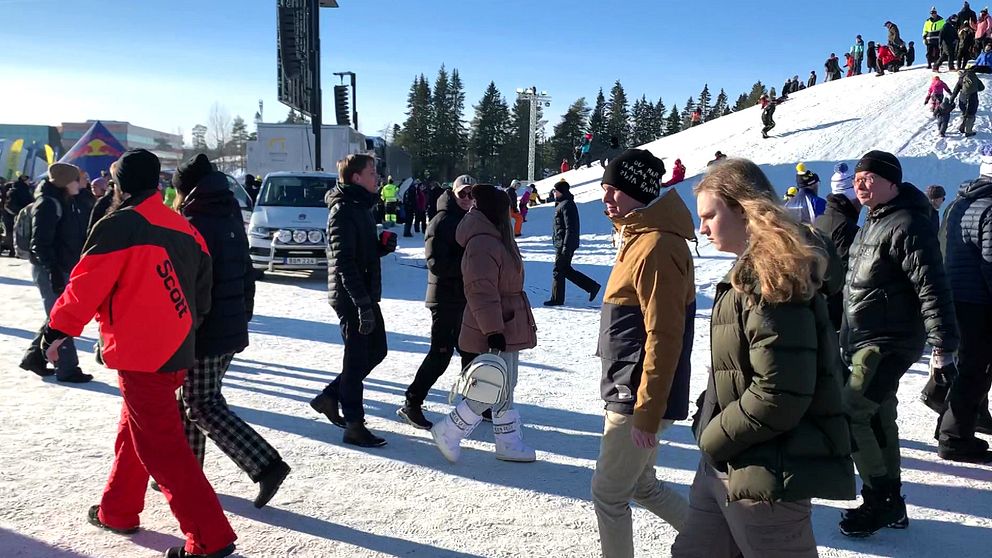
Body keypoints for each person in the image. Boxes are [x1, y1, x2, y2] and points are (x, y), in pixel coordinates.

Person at [40, 148, 237, 558]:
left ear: (120, 185)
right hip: (176, 348)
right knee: (137, 432)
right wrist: (179, 326)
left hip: (142, 351)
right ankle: (118, 510)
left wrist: (58, 328)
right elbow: (202, 297)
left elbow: (85, 284)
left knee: (161, 446)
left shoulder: (121, 224)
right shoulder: (184, 227)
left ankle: (210, 539)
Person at [671, 158, 854, 557]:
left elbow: (780, 393)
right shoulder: (749, 271)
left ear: (743, 208)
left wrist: (714, 436)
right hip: (728, 460)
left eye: (709, 216)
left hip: (767, 471)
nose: (702, 228)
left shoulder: (772, 278)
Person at [839, 150, 958, 537]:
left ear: (893, 182)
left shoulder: (907, 223)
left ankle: (881, 499)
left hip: (889, 341)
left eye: (870, 177)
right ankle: (893, 503)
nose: (860, 183)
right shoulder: (872, 222)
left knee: (852, 411)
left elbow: (932, 285)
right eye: (858, 177)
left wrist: (943, 346)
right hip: (865, 338)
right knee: (878, 416)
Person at [172, 154, 291, 509]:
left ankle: (265, 464)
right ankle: (184, 471)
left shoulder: (192, 221)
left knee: (200, 402)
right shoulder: (227, 214)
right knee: (188, 399)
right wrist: (243, 316)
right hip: (228, 323)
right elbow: (246, 272)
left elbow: (189, 286)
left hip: (205, 329)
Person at [592, 149, 695, 557]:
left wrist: (648, 411)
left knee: (609, 493)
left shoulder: (654, 246)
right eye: (605, 189)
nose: (607, 199)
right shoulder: (638, 235)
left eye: (615, 191)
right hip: (629, 384)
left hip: (636, 395)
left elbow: (665, 334)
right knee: (642, 484)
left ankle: (714, 543)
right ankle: (715, 544)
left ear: (639, 191)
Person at [430, 183, 538, 463]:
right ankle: (449, 430)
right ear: (497, 212)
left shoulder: (494, 237)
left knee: (505, 384)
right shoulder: (483, 242)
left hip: (506, 321)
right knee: (491, 385)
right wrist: (493, 331)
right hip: (495, 324)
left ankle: (508, 442)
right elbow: (480, 290)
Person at [309, 154, 398, 448]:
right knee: (357, 357)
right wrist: (361, 304)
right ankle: (354, 425)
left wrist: (380, 247)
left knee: (377, 351)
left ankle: (331, 396)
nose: (378, 177)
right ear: (356, 178)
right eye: (372, 172)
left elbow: (361, 252)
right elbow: (344, 261)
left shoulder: (360, 207)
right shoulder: (343, 210)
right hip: (351, 297)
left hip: (363, 294)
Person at [398, 175, 478, 430]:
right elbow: (435, 263)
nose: (467, 198)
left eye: (471, 194)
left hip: (462, 296)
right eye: (463, 194)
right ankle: (412, 402)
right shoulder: (441, 220)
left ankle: (473, 404)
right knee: (440, 354)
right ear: (453, 194)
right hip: (444, 298)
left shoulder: (468, 219)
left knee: (470, 350)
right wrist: (468, 265)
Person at [935, 145, 992, 461]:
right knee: (976, 369)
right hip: (980, 302)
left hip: (956, 295)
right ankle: (954, 439)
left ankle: (950, 427)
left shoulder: (960, 202)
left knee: (969, 366)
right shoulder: (991, 208)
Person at [20, 163, 91, 383]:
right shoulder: (49, 204)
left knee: (57, 315)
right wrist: (53, 271)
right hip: (51, 268)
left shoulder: (65, 201)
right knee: (62, 317)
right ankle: (67, 368)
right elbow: (40, 243)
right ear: (64, 182)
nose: (79, 183)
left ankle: (35, 357)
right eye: (75, 179)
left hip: (61, 266)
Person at [815, 162, 861, 331]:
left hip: (821, 306)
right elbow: (847, 272)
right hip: (838, 314)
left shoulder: (822, 219)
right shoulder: (845, 227)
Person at [543, 179, 601, 307]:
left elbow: (571, 227)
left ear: (561, 192)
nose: (554, 193)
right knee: (565, 270)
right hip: (561, 243)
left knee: (558, 270)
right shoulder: (561, 203)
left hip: (565, 244)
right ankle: (592, 287)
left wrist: (566, 246)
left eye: (556, 191)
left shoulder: (567, 204)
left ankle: (557, 299)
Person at [2, 174, 33, 256]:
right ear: (25, 180)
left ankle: (11, 250)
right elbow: (27, 202)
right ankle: (16, 251)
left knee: (9, 232)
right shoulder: (23, 190)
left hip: (8, 214)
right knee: (18, 233)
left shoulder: (12, 188)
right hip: (18, 214)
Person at [951, 66, 984, 136]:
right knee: (971, 115)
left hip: (962, 98)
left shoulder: (961, 78)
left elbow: (955, 91)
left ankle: (962, 128)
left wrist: (952, 99)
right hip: (973, 97)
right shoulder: (974, 77)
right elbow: (982, 88)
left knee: (964, 113)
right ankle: (968, 132)